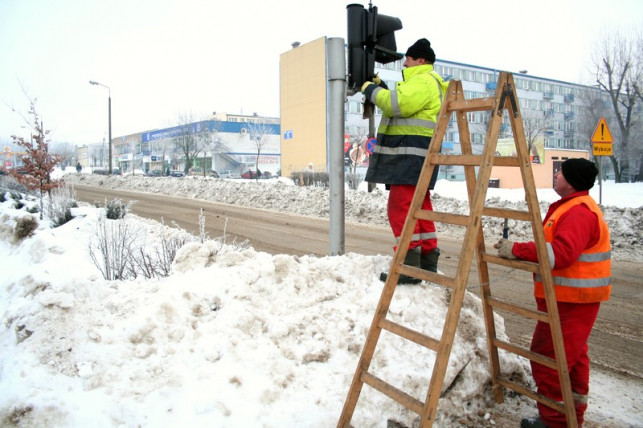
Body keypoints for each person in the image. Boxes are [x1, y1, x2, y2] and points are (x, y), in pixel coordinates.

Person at [494, 158, 611, 428]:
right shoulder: (572, 207)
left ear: (571, 181)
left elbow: (560, 253)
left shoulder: (578, 212)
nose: (556, 174)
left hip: (571, 301)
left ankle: (555, 421)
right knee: (573, 359)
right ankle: (571, 417)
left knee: (549, 359)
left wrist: (517, 250)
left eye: (561, 172)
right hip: (570, 299)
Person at [361, 38, 448, 284]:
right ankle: (427, 261)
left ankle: (409, 265)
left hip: (409, 155)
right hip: (420, 154)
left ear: (420, 60)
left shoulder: (422, 80)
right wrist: (382, 86)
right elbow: (402, 100)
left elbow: (395, 104)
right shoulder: (429, 82)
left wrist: (370, 89)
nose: (404, 63)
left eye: (408, 59)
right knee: (421, 207)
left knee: (400, 207)